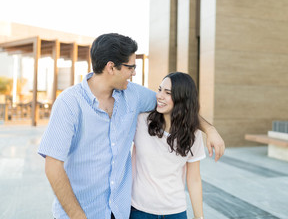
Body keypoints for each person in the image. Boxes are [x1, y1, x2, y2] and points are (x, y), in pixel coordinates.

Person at [38, 33, 224, 219]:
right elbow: (53, 166)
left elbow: (178, 105)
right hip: (80, 213)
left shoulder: (133, 95)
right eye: (131, 67)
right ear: (111, 67)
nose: (134, 72)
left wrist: (209, 129)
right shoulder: (69, 103)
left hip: (118, 212)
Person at [130, 72, 205, 219]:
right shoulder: (141, 121)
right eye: (159, 89)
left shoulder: (194, 134)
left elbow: (194, 179)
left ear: (182, 99)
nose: (159, 95)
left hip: (175, 211)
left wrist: (199, 217)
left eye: (168, 92)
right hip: (140, 210)